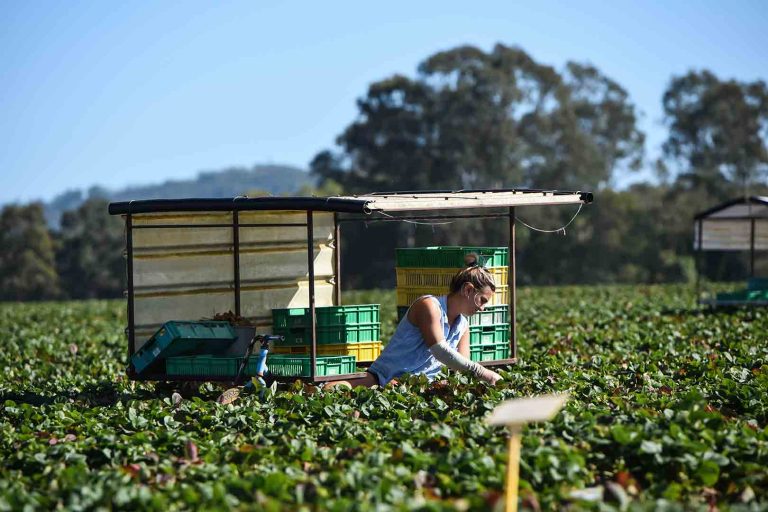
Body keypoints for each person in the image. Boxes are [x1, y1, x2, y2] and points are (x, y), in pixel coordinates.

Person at [330, 265, 504, 389]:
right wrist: (483, 372)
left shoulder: (463, 325)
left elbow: (463, 366)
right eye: (482, 300)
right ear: (467, 290)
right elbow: (440, 350)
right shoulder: (428, 305)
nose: (482, 308)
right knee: (331, 391)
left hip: (418, 387)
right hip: (383, 379)